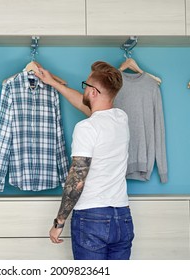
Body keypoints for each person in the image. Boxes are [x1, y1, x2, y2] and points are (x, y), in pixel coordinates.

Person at [35, 61, 134, 260]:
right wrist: (53, 82)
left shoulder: (86, 128)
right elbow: (84, 105)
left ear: (94, 92)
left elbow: (76, 180)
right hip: (122, 217)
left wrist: (59, 222)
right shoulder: (121, 119)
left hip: (92, 217)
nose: (84, 90)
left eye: (86, 86)